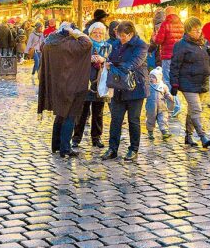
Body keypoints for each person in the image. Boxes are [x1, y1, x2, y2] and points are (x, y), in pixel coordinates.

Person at [38, 22, 92, 158]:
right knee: (70, 116)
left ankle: (56, 145)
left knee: (60, 115)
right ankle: (65, 148)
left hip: (56, 85)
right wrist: (74, 32)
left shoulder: (49, 43)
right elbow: (87, 42)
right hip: (72, 85)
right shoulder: (70, 44)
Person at [102, 21, 150, 162]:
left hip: (135, 87)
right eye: (119, 35)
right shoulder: (116, 44)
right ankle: (112, 148)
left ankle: (133, 149)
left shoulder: (140, 45)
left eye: (124, 36)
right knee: (116, 119)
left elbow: (133, 63)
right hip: (118, 86)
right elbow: (110, 59)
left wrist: (114, 65)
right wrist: (109, 63)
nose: (121, 38)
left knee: (133, 120)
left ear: (131, 33)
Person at [170, 17, 210, 148]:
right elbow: (175, 65)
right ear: (188, 31)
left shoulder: (204, 43)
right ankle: (203, 136)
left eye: (200, 30)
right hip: (187, 82)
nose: (198, 32)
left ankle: (188, 136)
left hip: (202, 81)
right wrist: (174, 83)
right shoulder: (181, 45)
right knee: (196, 109)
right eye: (195, 30)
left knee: (192, 110)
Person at [72, 22, 111, 149]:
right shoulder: (85, 45)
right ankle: (76, 138)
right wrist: (88, 59)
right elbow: (76, 59)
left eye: (100, 33)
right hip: (86, 80)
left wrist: (103, 60)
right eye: (95, 33)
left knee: (98, 112)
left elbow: (112, 61)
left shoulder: (107, 46)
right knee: (81, 111)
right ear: (90, 33)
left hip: (101, 82)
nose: (98, 35)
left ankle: (96, 137)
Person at [153, 7, 184, 88]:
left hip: (167, 56)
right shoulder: (181, 24)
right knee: (175, 79)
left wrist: (155, 37)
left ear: (166, 13)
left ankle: (172, 99)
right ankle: (175, 98)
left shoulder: (165, 24)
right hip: (179, 55)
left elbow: (159, 40)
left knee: (167, 80)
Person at [146, 67, 173, 140]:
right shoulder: (148, 86)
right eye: (150, 77)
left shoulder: (163, 86)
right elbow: (144, 93)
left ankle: (165, 131)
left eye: (153, 77)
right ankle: (150, 132)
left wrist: (169, 96)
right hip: (151, 107)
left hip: (162, 106)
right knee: (150, 119)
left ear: (158, 78)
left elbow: (167, 93)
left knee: (163, 119)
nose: (151, 79)